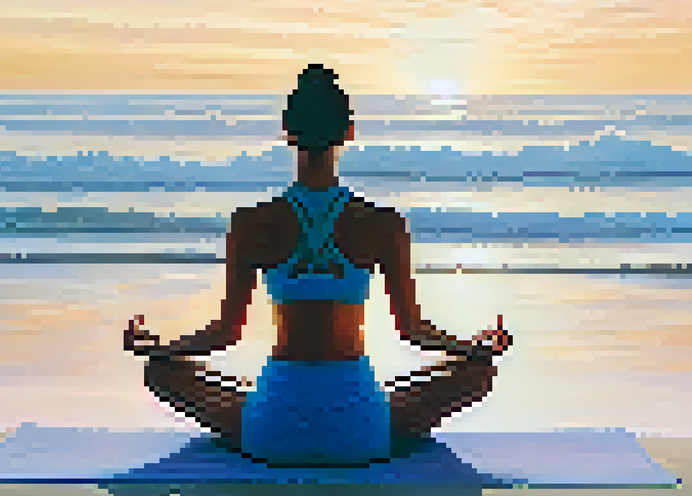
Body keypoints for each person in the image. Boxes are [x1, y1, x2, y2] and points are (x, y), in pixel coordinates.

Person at [124, 63, 513, 466]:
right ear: (348, 132)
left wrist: (163, 348)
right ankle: (353, 405)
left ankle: (274, 404)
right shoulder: (382, 223)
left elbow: (225, 334)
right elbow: (412, 331)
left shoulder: (250, 223)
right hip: (359, 432)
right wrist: (470, 348)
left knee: (162, 372)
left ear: (287, 131)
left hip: (273, 431)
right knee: (476, 373)